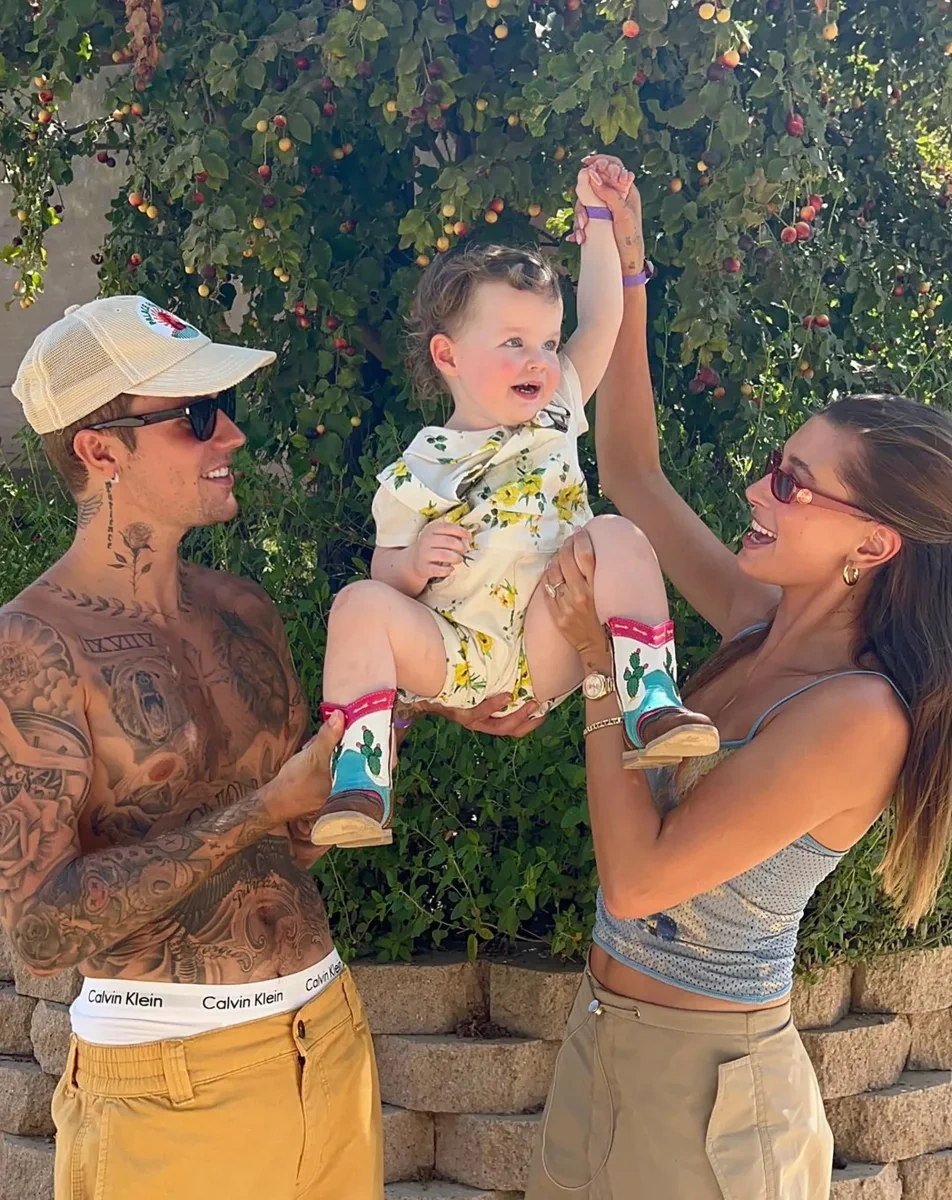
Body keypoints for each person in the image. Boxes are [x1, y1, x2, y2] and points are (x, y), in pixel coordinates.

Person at [525, 155, 952, 1199]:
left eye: (794, 485)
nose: (760, 490)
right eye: (775, 464)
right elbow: (632, 473)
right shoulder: (760, 625)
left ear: (875, 545)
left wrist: (602, 670)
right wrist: (628, 271)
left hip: (706, 1099)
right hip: (602, 1044)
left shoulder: (858, 717)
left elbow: (640, 880)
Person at [2, 296, 381, 1200]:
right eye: (198, 416)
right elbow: (41, 931)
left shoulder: (244, 609)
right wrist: (263, 807)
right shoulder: (34, 647)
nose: (234, 435)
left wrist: (387, 731)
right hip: (168, 1079)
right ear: (101, 450)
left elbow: (296, 841)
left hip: (327, 1040)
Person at [312, 164, 717, 849]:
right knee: (357, 603)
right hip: (456, 654)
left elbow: (604, 318)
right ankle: (361, 778)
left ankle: (651, 699)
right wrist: (412, 564)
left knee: (616, 534)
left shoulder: (556, 410)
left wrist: (597, 219)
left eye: (548, 344)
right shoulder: (420, 467)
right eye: (514, 343)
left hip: (550, 636)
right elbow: (386, 574)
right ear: (448, 355)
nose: (540, 360)